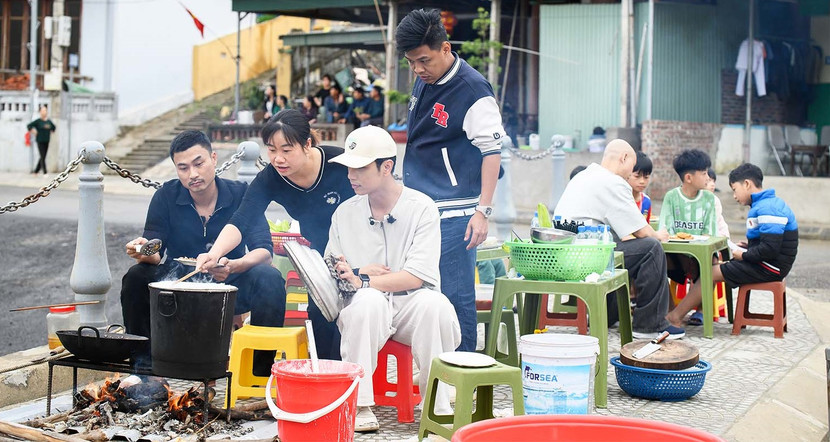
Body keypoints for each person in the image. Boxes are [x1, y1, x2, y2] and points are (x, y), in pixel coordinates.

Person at [326, 126, 461, 432]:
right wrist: (359, 276)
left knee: (434, 304)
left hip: (411, 305)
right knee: (367, 302)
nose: (351, 175)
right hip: (365, 307)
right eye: (349, 166)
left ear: (386, 167)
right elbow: (334, 269)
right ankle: (359, 405)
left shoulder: (421, 208)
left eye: (360, 167)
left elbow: (416, 276)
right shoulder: (344, 213)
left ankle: (436, 404)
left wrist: (363, 281)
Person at [121, 130, 286, 372]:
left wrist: (233, 266)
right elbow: (155, 250)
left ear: (214, 158)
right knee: (136, 277)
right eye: (183, 168)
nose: (193, 174)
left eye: (199, 163)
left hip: (229, 281)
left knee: (270, 278)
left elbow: (264, 250)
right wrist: (142, 249)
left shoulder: (240, 193)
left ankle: (258, 372)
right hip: (180, 282)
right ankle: (144, 370)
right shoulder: (166, 196)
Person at [196, 109, 355, 360]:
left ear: (307, 144)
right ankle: (328, 383)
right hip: (322, 259)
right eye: (271, 150)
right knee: (321, 318)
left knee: (354, 322)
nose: (278, 158)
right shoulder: (271, 178)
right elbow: (242, 220)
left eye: (286, 150)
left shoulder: (340, 163)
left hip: (359, 251)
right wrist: (214, 253)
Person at [395, 9, 504, 351]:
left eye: (423, 60)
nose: (417, 69)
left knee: (456, 293)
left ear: (445, 48)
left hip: (458, 211)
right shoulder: (426, 77)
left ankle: (464, 374)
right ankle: (436, 367)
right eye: (411, 62)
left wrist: (482, 211)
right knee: (427, 294)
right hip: (424, 206)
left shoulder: (472, 90)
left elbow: (492, 152)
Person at [554, 139, 685, 339]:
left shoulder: (583, 176)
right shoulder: (612, 181)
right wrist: (659, 235)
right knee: (651, 248)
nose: (628, 175)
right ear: (623, 158)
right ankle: (649, 324)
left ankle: (610, 314)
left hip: (565, 253)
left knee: (619, 246)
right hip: (585, 257)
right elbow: (642, 232)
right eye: (631, 169)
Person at [666, 163, 798, 327]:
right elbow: (769, 243)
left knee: (710, 272)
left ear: (747, 184)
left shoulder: (768, 208)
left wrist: (742, 254)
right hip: (769, 263)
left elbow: (770, 249)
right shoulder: (766, 204)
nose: (734, 196)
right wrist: (749, 248)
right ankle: (683, 313)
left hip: (770, 267)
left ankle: (675, 316)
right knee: (713, 266)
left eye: (735, 189)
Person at [27, 105, 56, 175]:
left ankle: (36, 171)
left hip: (47, 140)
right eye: (43, 110)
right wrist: (34, 131)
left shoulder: (49, 121)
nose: (44, 112)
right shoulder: (38, 121)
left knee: (43, 156)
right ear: (40, 112)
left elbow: (54, 127)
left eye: (45, 110)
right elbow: (29, 126)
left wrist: (51, 131)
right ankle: (45, 172)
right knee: (42, 156)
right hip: (40, 140)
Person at [628, 151, 653, 223]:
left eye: (646, 177)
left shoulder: (646, 201)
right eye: (637, 176)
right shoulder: (621, 199)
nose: (642, 181)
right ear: (628, 174)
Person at [707, 168, 731, 239]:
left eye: (714, 181)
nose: (712, 184)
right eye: (709, 181)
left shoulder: (714, 200)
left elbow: (714, 222)